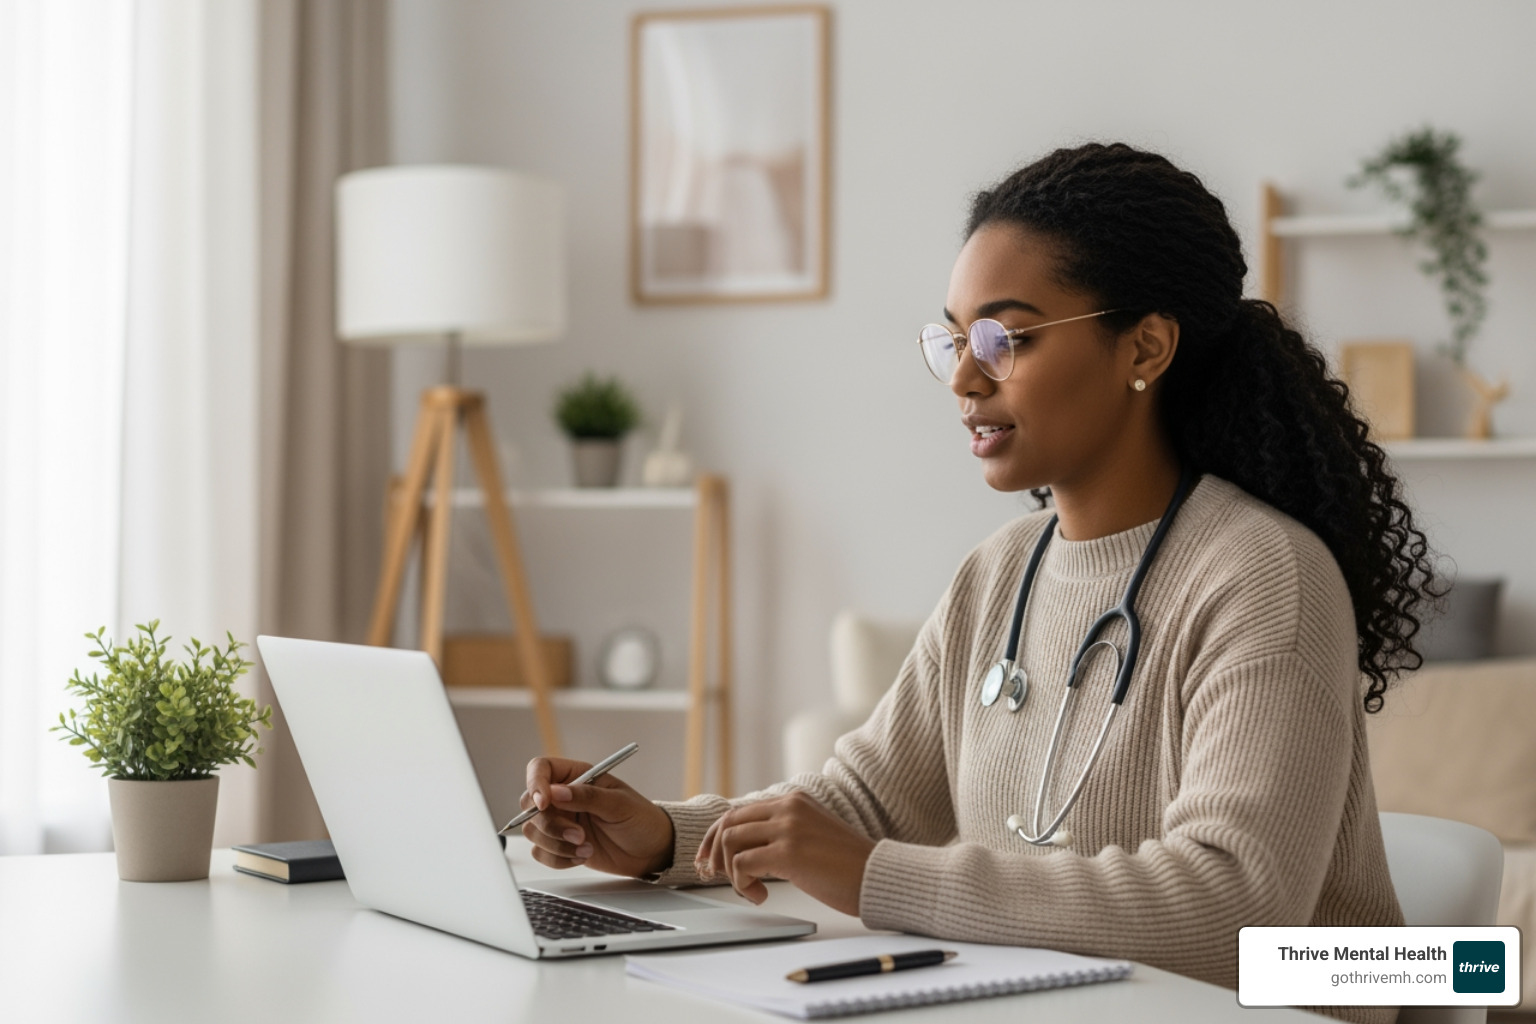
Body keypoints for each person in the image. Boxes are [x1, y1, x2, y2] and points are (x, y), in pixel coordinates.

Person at [519, 143, 1437, 1024]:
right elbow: (865, 803)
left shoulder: (1265, 574)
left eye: (1007, 338)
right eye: (955, 339)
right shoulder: (1002, 570)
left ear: (1146, 348)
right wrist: (667, 838)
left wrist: (880, 876)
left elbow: (1231, 909)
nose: (964, 376)